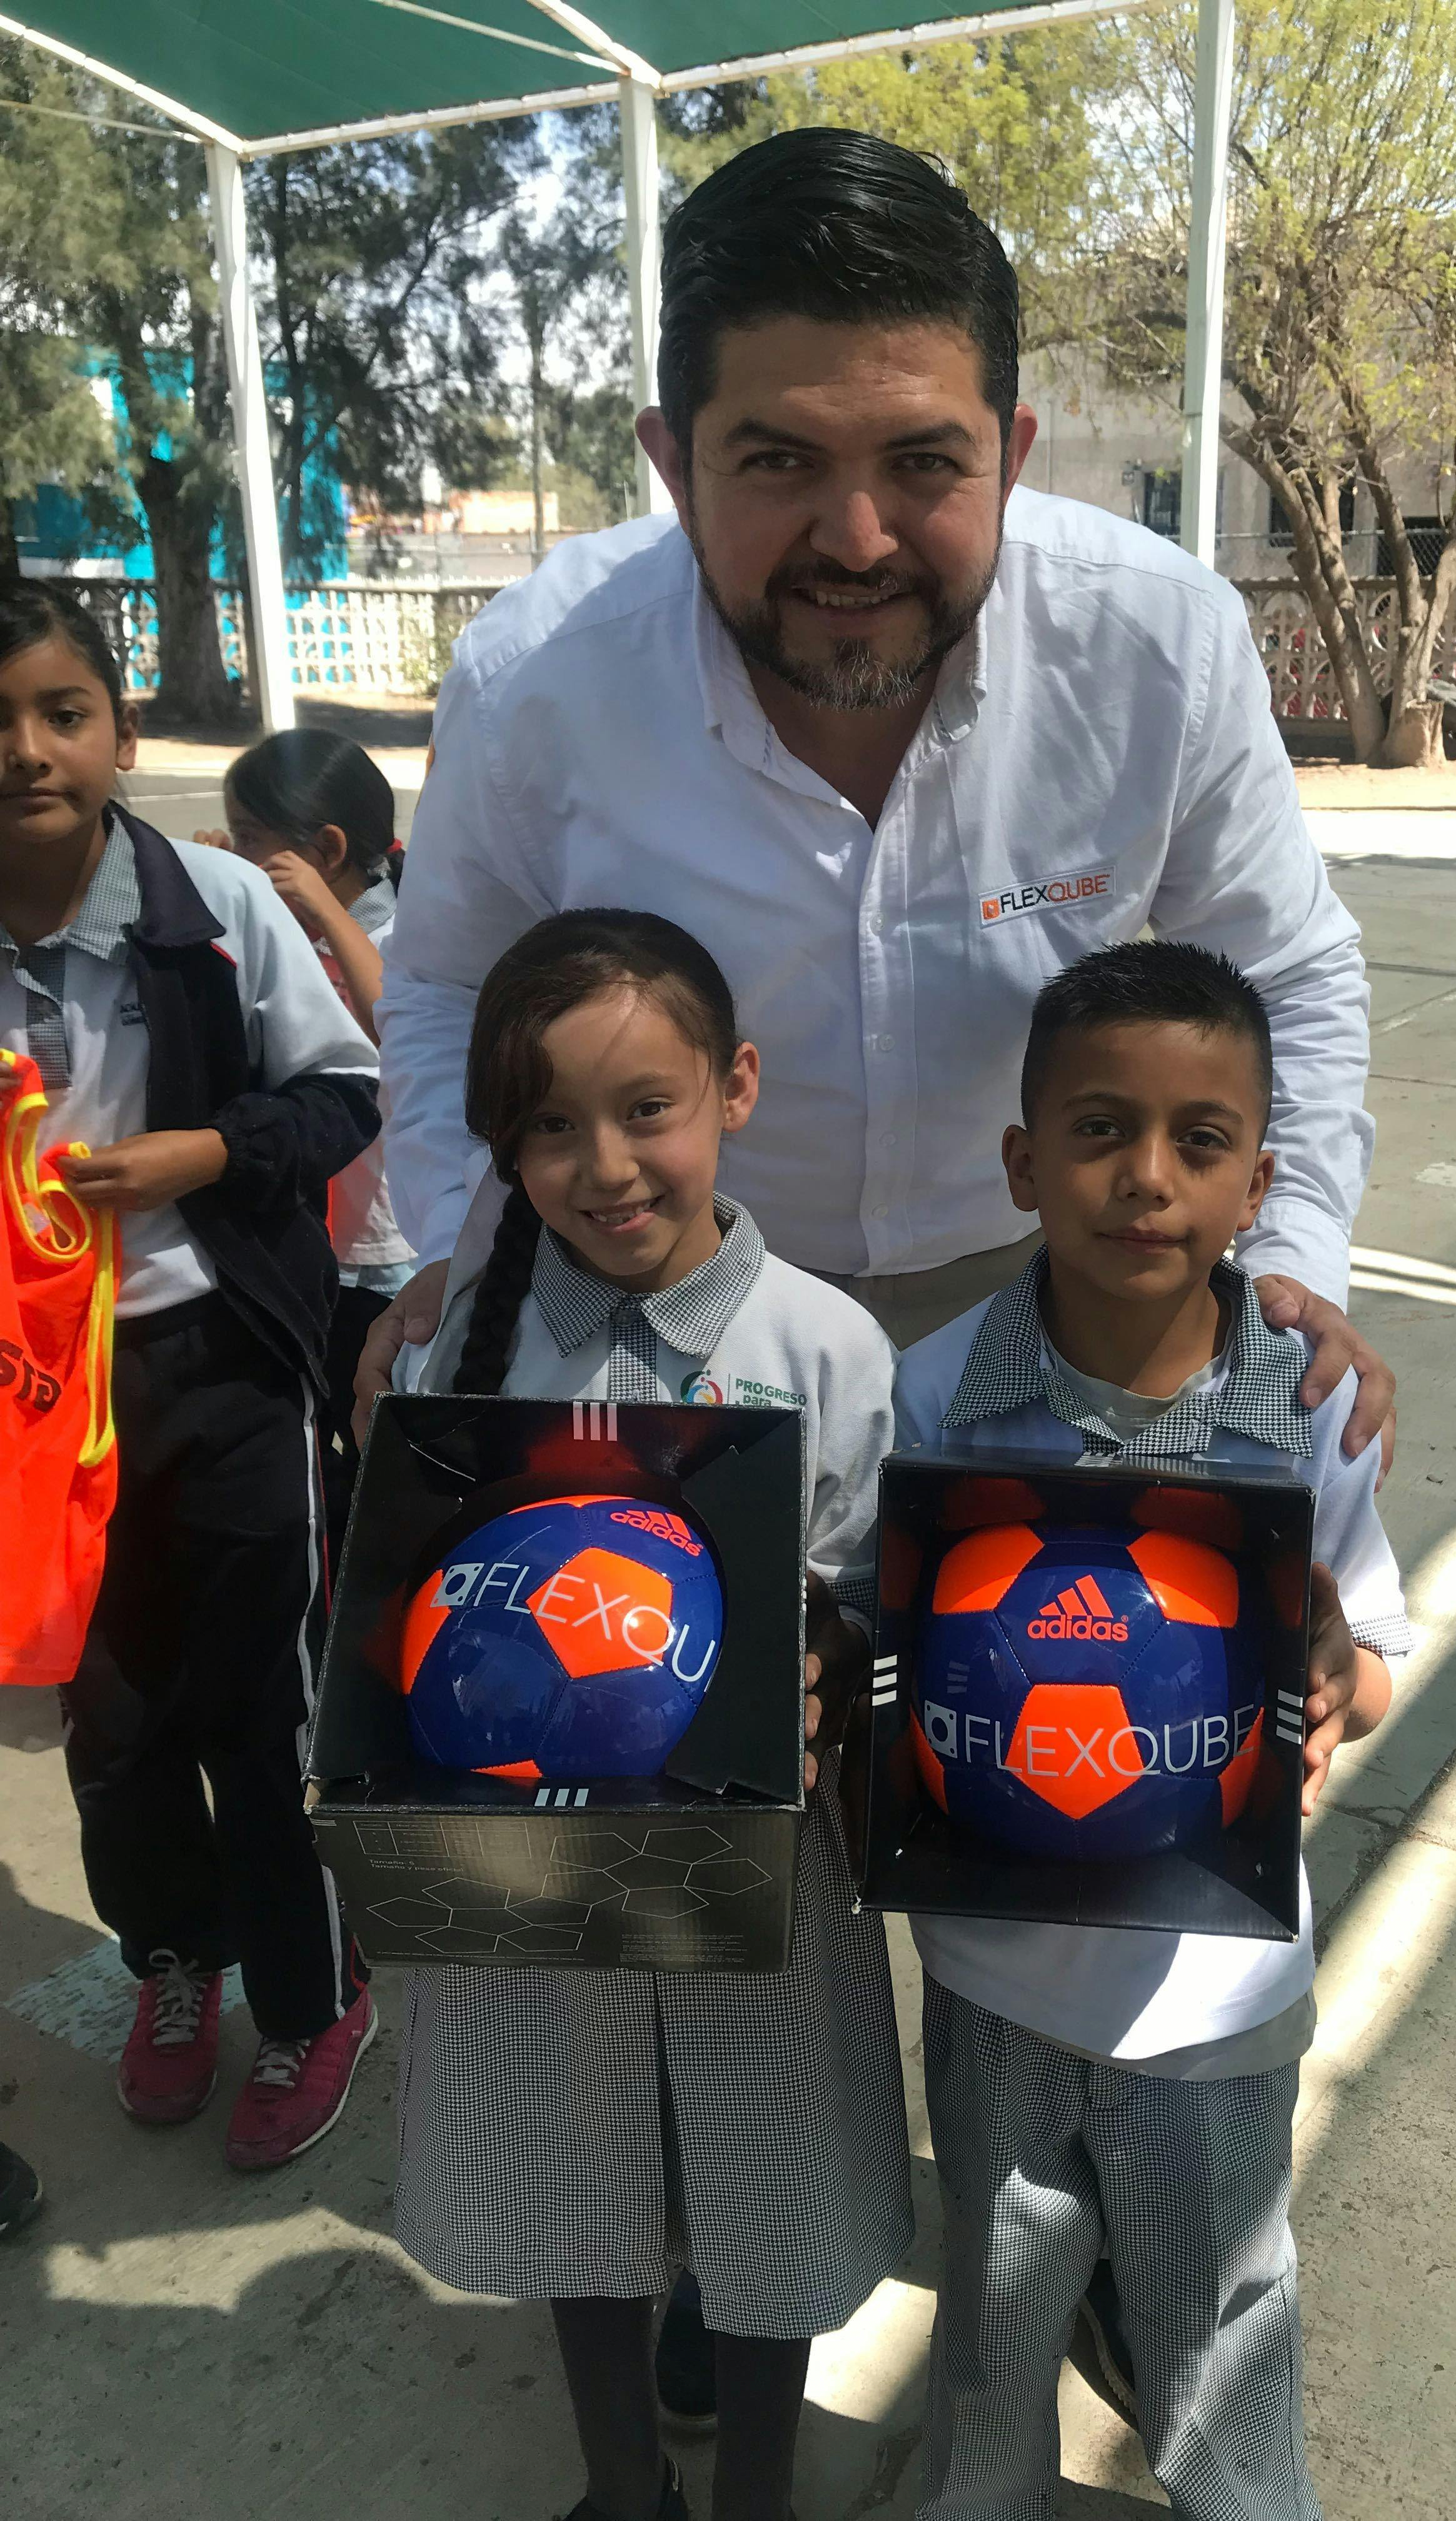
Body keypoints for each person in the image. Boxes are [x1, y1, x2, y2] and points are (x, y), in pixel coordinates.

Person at [361, 126, 1393, 1447]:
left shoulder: (1159, 646)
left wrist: (1292, 1258)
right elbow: (448, 984)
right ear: (675, 466)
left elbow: (1289, 970)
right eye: (780, 461)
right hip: (665, 1305)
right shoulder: (534, 680)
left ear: (1010, 455)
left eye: (923, 462)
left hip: (1049, 1296)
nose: (857, 541)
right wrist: (466, 1248)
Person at [389, 909, 913, 2521]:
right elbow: (398, 1631)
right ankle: (624, 2489)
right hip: (531, 1884)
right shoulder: (462, 1349)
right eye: (549, 1125)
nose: (605, 1165)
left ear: (735, 1088)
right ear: (505, 1146)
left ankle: (752, 2489)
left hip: (763, 1881)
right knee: (576, 2194)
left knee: (762, 2204)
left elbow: (879, 1614)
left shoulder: (822, 1346)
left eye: (646, 1108)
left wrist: (836, 1674)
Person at [893, 938, 1408, 2521]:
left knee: (1223, 2344)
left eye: (1200, 1142)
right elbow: (876, 1628)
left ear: (1258, 1180)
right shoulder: (932, 1395)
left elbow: (1374, 1652)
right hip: (995, 1984)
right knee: (990, 2330)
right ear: (1022, 1162)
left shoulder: (1310, 1403)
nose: (1145, 1180)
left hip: (1214, 2007)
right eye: (1100, 1130)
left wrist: (1335, 1678)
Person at [0, 581, 379, 2169]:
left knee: (258, 1703)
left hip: (220, 1367)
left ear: (122, 733)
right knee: (111, 1711)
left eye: (61, 713)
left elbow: (348, 1094)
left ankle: (313, 1997)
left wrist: (212, 1152)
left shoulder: (214, 904)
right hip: (35, 1403)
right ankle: (177, 1964)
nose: (25, 751)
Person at [198, 730, 416, 1538]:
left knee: (381, 1452)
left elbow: (398, 1027)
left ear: (324, 850)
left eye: (252, 840)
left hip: (387, 1254)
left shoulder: (401, 934)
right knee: (317, 1446)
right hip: (311, 1245)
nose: (241, 857)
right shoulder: (276, 932)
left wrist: (321, 908)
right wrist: (219, 885)